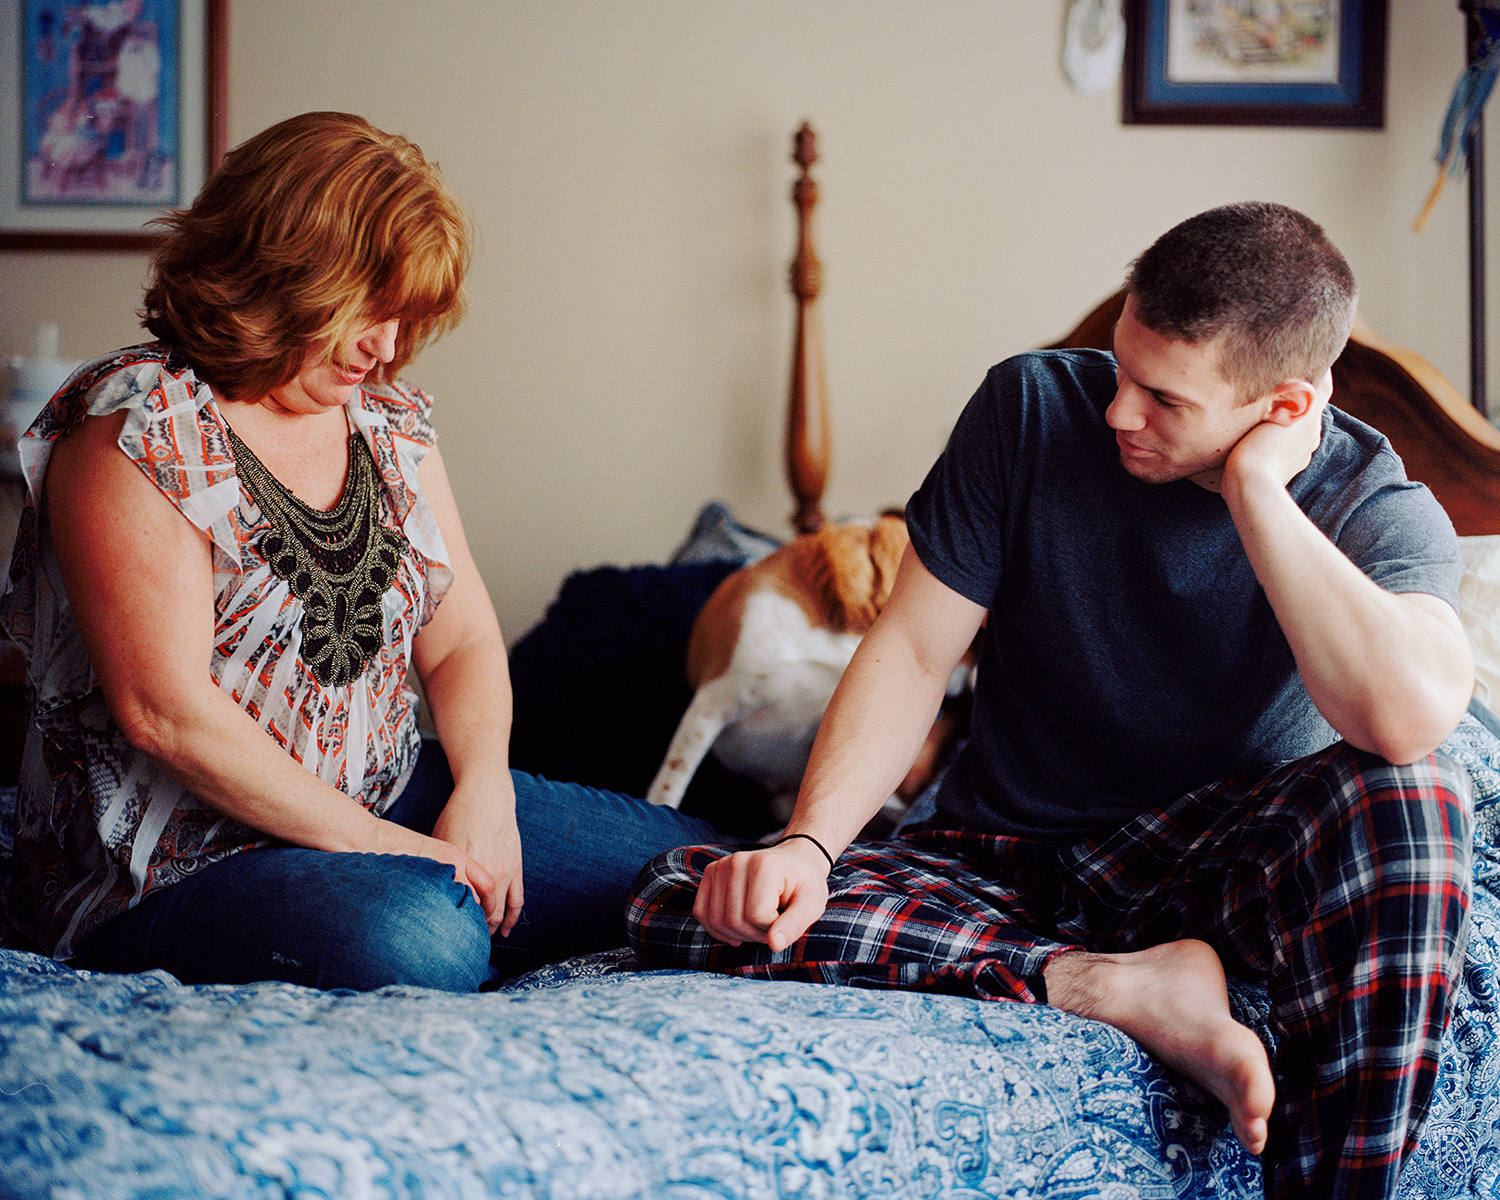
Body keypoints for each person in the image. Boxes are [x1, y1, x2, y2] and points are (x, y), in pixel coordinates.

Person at [627, 202, 1476, 1199]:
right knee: (688, 899)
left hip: (1210, 867)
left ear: (1285, 408)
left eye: (1165, 399)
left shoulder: (1373, 500)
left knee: (1418, 801)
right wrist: (809, 846)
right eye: (1122, 368)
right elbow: (907, 652)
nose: (1121, 412)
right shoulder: (1027, 411)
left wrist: (1257, 493)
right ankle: (1107, 984)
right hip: (1005, 861)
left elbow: (1407, 721)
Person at [1, 111, 718, 992]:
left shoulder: (386, 419)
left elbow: (462, 643)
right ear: (282, 272)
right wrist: (403, 854)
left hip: (388, 788)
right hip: (177, 865)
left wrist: (483, 794)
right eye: (367, 311)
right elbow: (167, 713)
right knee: (422, 938)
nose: (385, 347)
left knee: (700, 870)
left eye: (405, 316)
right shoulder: (139, 428)